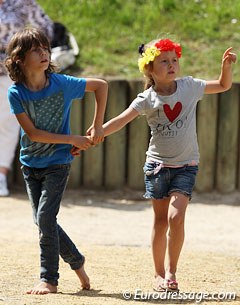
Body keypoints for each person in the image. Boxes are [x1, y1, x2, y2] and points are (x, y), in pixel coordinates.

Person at [88, 38, 236, 291]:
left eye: (174, 60)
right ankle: (158, 274)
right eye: (164, 61)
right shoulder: (147, 98)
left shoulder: (189, 87)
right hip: (157, 166)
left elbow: (223, 85)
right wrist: (96, 131)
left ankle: (171, 272)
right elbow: (121, 120)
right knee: (160, 221)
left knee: (176, 217)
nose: (171, 65)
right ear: (149, 69)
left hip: (187, 164)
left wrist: (226, 67)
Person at [5, 27, 108, 294]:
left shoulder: (62, 84)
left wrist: (96, 127)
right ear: (19, 59)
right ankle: (77, 261)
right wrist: (73, 139)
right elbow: (33, 133)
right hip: (29, 165)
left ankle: (49, 278)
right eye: (35, 50)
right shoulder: (16, 93)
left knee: (44, 219)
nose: (43, 53)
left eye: (44, 48)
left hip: (57, 164)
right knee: (44, 221)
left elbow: (101, 86)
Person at [0, 0, 54, 196]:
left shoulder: (22, 3)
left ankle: (0, 174)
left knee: (7, 122)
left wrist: (23, 49)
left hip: (9, 71)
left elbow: (46, 28)